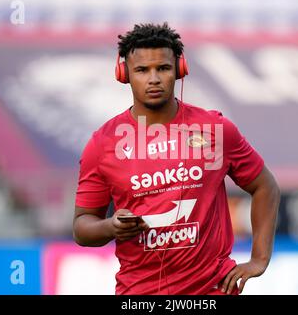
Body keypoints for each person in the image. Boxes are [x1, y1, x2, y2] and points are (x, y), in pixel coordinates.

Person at [73, 22, 280, 295]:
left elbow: (265, 186)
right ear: (124, 74)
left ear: (180, 70)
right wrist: (110, 227)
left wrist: (259, 259)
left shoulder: (214, 130)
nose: (154, 78)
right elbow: (81, 226)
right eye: (142, 70)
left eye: (163, 68)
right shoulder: (103, 144)